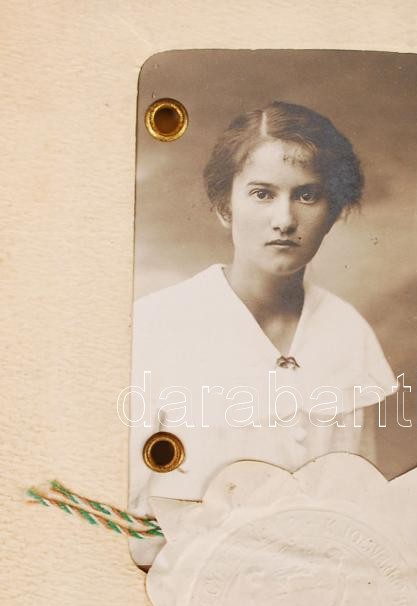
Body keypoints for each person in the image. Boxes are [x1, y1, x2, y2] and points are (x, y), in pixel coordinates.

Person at [127, 101, 397, 566]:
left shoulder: (347, 331)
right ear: (224, 206)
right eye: (261, 194)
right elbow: (126, 523)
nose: (285, 220)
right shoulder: (157, 324)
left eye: (307, 195)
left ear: (334, 210)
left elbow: (360, 501)